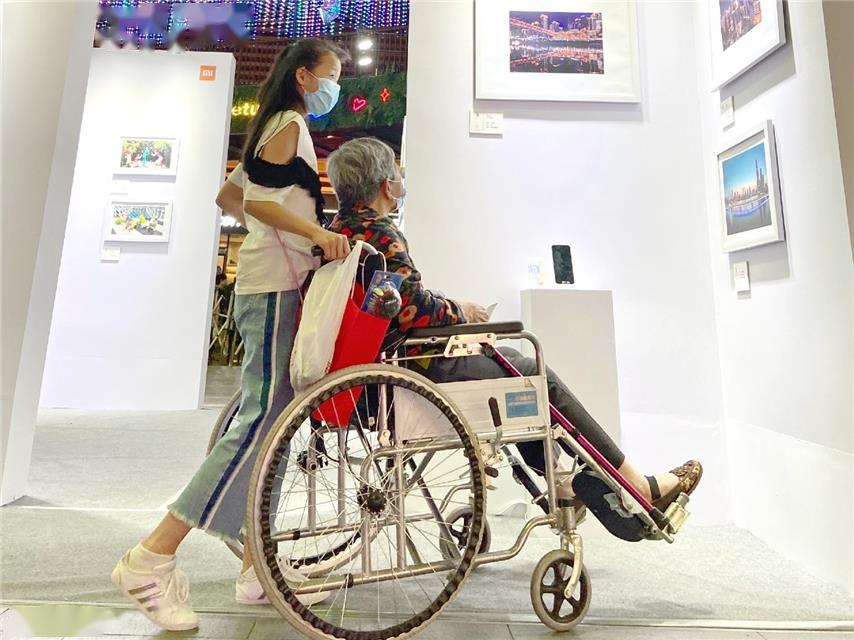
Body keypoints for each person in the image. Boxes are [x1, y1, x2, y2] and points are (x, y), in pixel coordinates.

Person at [324, 137, 703, 515]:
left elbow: (393, 301)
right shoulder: (380, 234)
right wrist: (462, 312)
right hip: (413, 369)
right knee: (532, 373)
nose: (400, 180)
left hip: (371, 372)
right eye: (396, 173)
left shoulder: (339, 230)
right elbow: (410, 310)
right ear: (385, 185)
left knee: (509, 361)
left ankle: (559, 476)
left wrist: (444, 305)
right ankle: (634, 485)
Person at [111, 39, 351, 631]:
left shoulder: (273, 125)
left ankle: (255, 567)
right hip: (273, 289)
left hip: (269, 284)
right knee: (259, 424)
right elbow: (262, 205)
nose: (336, 87)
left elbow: (230, 196)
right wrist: (312, 236)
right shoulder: (289, 123)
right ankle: (151, 557)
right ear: (305, 77)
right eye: (332, 75)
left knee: (273, 425)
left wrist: (280, 231)